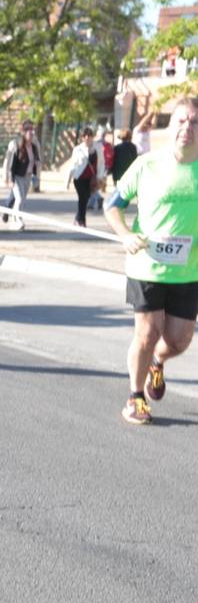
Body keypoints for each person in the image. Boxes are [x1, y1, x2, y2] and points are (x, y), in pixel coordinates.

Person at [105, 97, 198, 425]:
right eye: (181, 121)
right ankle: (135, 396)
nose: (187, 128)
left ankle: (157, 363)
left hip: (188, 272)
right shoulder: (147, 165)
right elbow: (112, 204)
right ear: (170, 126)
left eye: (194, 122)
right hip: (147, 265)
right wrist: (125, 234)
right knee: (148, 331)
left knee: (178, 339)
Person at [66, 126, 103, 228]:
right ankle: (82, 221)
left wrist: (100, 176)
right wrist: (68, 181)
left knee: (85, 199)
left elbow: (101, 163)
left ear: (92, 137)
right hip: (79, 178)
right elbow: (73, 165)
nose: (87, 138)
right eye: (85, 136)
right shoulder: (78, 149)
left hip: (90, 179)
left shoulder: (98, 148)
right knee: (82, 198)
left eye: (89, 135)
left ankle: (78, 219)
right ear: (82, 138)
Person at [1, 123, 36, 231]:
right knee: (19, 198)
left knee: (23, 200)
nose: (31, 134)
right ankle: (16, 220)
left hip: (27, 177)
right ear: (24, 133)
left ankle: (17, 218)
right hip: (17, 176)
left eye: (32, 131)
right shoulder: (18, 145)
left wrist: (35, 176)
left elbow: (35, 161)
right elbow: (12, 163)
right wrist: (10, 179)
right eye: (28, 132)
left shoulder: (33, 147)